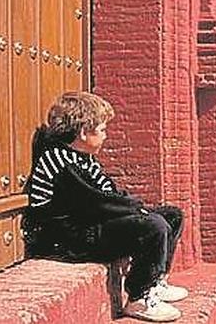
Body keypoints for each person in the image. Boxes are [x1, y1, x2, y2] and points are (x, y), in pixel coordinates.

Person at [22, 91, 188, 322]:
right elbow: (95, 202)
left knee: (171, 216)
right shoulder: (60, 161)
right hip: (65, 239)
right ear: (82, 133)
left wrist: (135, 207)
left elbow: (108, 192)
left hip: (88, 226)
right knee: (153, 226)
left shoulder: (83, 158)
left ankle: (155, 280)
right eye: (101, 130)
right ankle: (139, 297)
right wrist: (136, 211)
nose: (106, 135)